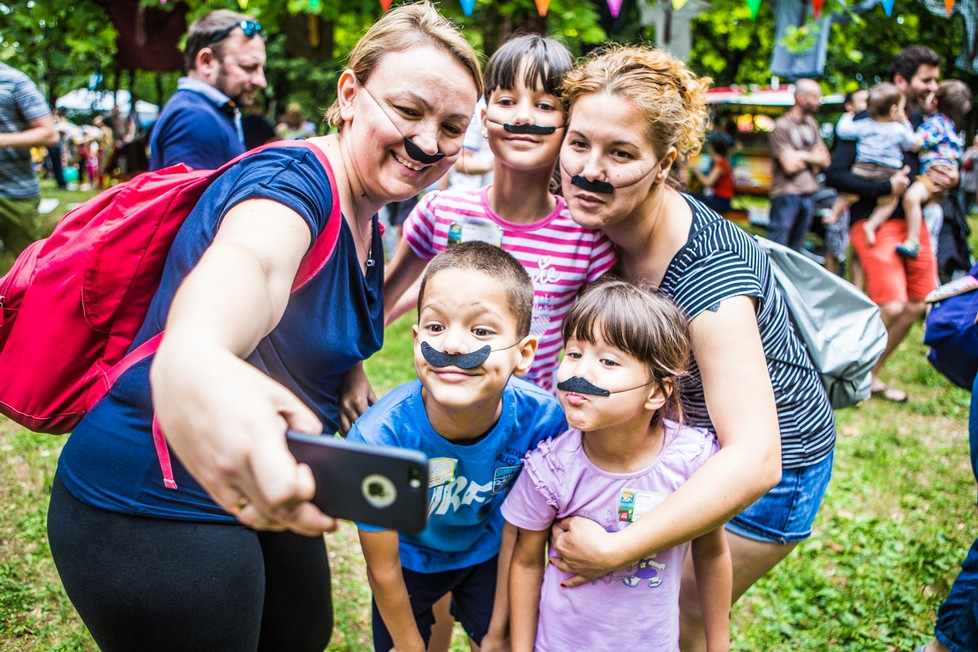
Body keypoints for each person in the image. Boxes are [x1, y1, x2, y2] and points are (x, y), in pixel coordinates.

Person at [45, 4, 482, 650]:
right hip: (150, 499)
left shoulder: (369, 210)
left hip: (265, 473)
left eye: (451, 127)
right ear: (350, 93)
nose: (428, 143)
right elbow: (247, 263)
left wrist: (344, 367)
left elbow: (314, 304)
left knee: (303, 632)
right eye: (409, 112)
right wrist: (195, 355)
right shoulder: (292, 184)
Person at [548, 45, 835, 652]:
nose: (590, 169)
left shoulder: (710, 275)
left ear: (665, 162)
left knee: (675, 619)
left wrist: (618, 548)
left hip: (768, 474)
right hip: (679, 447)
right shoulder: (597, 226)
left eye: (621, 152)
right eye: (579, 143)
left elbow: (758, 458)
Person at [347, 241, 567, 652]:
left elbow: (530, 535)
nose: (451, 345)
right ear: (415, 339)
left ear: (524, 354)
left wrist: (499, 631)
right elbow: (383, 568)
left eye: (481, 330)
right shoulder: (378, 441)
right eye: (435, 327)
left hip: (486, 555)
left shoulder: (543, 421)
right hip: (408, 563)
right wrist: (410, 645)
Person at [503, 278, 731, 652]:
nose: (580, 372)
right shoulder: (550, 470)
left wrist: (718, 645)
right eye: (574, 353)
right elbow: (526, 564)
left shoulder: (691, 461)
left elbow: (712, 553)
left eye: (608, 361)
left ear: (657, 392)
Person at [383, 34, 616, 392]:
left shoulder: (586, 238)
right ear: (484, 115)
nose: (523, 117)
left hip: (533, 432)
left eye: (544, 105)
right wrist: (351, 368)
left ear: (568, 123)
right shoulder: (439, 212)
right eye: (507, 101)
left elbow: (599, 350)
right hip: (438, 421)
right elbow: (380, 304)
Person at [825, 44, 954, 404]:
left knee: (918, 304)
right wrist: (887, 187)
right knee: (891, 306)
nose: (933, 87)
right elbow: (836, 175)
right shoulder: (870, 120)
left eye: (936, 80)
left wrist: (944, 182)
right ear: (902, 81)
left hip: (913, 226)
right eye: (926, 80)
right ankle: (844, 375)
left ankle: (870, 376)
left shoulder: (926, 129)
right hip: (873, 223)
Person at [149, 9, 268, 171]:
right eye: (249, 67)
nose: (261, 82)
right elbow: (191, 197)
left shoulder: (204, 111)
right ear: (206, 61)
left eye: (261, 69)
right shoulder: (193, 118)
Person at [832, 83, 916, 250]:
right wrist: (905, 122)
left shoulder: (864, 125)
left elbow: (843, 131)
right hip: (888, 172)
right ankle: (871, 225)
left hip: (862, 169)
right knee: (889, 200)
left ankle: (834, 213)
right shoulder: (898, 129)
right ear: (893, 110)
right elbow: (911, 142)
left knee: (849, 193)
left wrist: (847, 116)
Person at [897, 79, 972, 258]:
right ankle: (928, 249)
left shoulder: (935, 123)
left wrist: (901, 122)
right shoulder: (949, 125)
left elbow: (915, 144)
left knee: (911, 198)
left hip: (931, 178)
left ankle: (913, 241)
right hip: (941, 182)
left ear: (935, 102)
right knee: (931, 211)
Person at [767, 78, 832, 251]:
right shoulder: (782, 126)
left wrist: (799, 156)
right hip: (786, 194)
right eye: (816, 97)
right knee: (778, 247)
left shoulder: (812, 124)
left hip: (808, 192)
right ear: (802, 99)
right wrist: (811, 157)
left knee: (797, 249)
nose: (819, 102)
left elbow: (825, 160)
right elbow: (789, 166)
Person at [0, 62, 58, 254]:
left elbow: (49, 134)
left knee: (30, 268)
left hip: (14, 191)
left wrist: (3, 140)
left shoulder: (14, 81)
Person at [823, 88, 868, 278]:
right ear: (850, 106)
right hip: (843, 191)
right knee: (835, 245)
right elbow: (835, 173)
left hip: (861, 198)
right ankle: (830, 282)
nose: (868, 105)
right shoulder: (847, 126)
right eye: (863, 101)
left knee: (858, 249)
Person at [690, 134, 735, 214]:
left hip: (721, 201)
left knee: (692, 198)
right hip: (720, 199)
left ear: (713, 148)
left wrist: (695, 170)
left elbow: (708, 183)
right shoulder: (721, 162)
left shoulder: (720, 164)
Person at [960, 132, 978, 216]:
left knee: (973, 194)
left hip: (976, 176)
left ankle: (969, 210)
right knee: (964, 193)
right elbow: (964, 161)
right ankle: (963, 210)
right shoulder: (970, 149)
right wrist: (972, 152)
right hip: (968, 175)